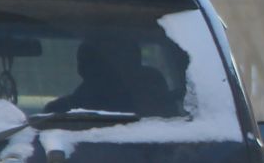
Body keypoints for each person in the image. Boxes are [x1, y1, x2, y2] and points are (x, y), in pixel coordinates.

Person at [46, 32, 176, 118]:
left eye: (122, 64)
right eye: (102, 65)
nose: (114, 74)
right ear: (83, 69)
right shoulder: (58, 117)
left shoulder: (167, 120)